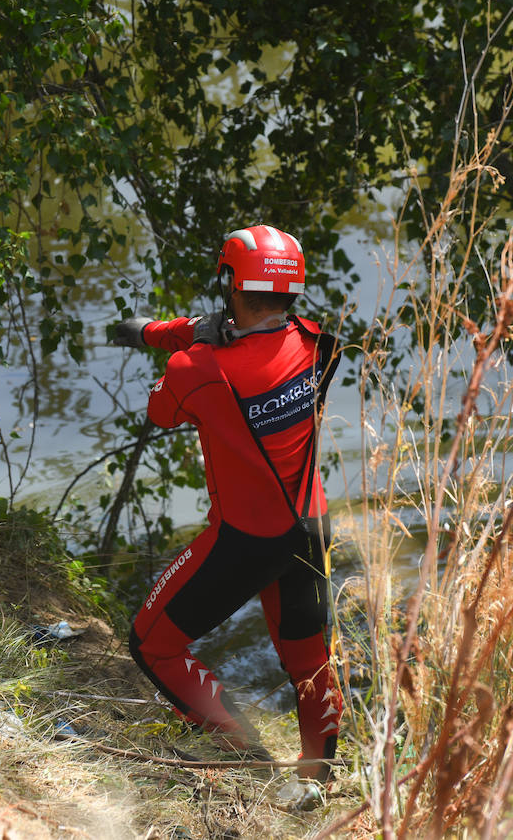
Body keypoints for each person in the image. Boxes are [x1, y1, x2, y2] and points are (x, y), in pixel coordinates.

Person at [110, 224, 343, 781]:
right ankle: (315, 781)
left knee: (151, 643)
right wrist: (158, 333)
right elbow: (229, 339)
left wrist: (184, 341)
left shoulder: (198, 370)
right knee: (309, 662)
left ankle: (239, 746)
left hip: (244, 541)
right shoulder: (320, 344)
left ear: (232, 286)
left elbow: (160, 411)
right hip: (312, 526)